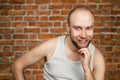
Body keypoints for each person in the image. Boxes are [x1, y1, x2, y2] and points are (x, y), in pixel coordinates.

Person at [11, 6, 105, 80]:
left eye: (88, 28)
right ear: (68, 28)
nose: (84, 35)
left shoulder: (97, 57)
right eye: (77, 28)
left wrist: (87, 69)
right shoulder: (52, 46)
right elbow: (17, 65)